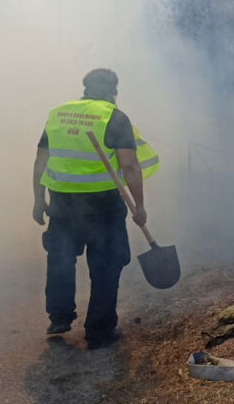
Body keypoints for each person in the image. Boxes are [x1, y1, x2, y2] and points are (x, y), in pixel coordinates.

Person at [32, 68, 149, 349]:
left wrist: (38, 199)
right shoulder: (114, 117)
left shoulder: (58, 114)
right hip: (103, 205)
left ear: (85, 88)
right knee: (106, 264)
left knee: (61, 257)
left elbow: (40, 160)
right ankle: (99, 330)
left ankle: (59, 316)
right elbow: (130, 165)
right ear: (113, 91)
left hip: (62, 202)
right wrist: (140, 204)